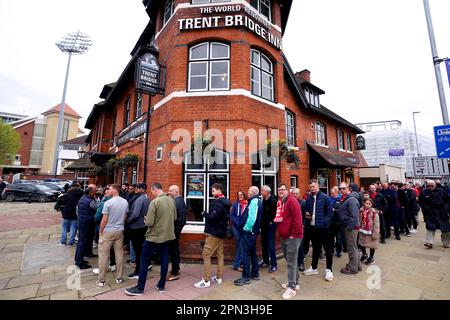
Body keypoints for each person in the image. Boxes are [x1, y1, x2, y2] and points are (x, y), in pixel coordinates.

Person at [124, 183, 177, 295]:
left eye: (152, 191)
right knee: (164, 260)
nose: (152, 193)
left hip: (154, 236)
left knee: (144, 260)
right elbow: (175, 217)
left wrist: (146, 219)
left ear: (154, 190)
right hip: (167, 235)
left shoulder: (155, 202)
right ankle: (161, 285)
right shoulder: (171, 200)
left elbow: (149, 222)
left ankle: (140, 288)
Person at [194, 183, 231, 289]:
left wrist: (204, 214)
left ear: (219, 190)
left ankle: (206, 280)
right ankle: (219, 277)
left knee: (206, 254)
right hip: (221, 232)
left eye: (213, 190)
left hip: (215, 233)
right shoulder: (226, 201)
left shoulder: (218, 203)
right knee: (220, 254)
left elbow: (212, 217)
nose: (212, 192)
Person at [96, 184, 129, 287]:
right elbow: (125, 216)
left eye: (109, 189)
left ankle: (101, 280)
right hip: (119, 230)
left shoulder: (108, 203)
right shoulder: (125, 202)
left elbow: (104, 219)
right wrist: (120, 225)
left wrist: (101, 232)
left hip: (108, 231)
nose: (108, 190)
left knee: (103, 256)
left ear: (115, 190)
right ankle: (119, 277)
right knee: (119, 255)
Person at [275, 184, 303, 299]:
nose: (281, 191)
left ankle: (291, 287)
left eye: (283, 189)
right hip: (284, 236)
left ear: (287, 191)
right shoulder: (281, 202)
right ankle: (295, 282)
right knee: (290, 260)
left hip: (292, 237)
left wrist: (293, 235)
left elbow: (298, 219)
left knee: (291, 261)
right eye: (279, 189)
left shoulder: (292, 201)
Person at [303, 180, 334, 282]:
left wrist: (324, 223)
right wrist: (307, 214)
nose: (312, 188)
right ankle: (313, 268)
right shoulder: (309, 198)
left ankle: (329, 270)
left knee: (328, 249)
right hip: (312, 228)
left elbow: (330, 213)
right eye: (310, 187)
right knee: (315, 249)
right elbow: (307, 210)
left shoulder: (325, 197)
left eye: (313, 186)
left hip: (324, 229)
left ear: (318, 186)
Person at [234, 186, 263, 286]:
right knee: (252, 253)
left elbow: (252, 219)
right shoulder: (256, 201)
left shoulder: (254, 201)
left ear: (252, 192)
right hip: (253, 232)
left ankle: (245, 277)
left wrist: (245, 228)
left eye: (249, 191)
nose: (248, 192)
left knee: (244, 254)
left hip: (249, 232)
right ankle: (255, 274)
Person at [126, 183, 151, 280]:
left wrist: (128, 220)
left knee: (137, 251)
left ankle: (138, 271)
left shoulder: (139, 199)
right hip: (143, 226)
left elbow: (135, 214)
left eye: (138, 188)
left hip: (136, 227)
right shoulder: (147, 198)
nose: (136, 189)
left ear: (143, 189)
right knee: (141, 250)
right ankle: (142, 269)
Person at [338, 182, 361, 275]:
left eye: (343, 188)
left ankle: (352, 268)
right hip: (348, 226)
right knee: (354, 247)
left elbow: (354, 215)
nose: (341, 190)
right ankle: (356, 265)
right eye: (340, 188)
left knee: (351, 248)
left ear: (348, 189)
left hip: (351, 227)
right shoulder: (346, 198)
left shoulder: (351, 199)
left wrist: (349, 227)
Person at [419, 180, 450, 249]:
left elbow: (448, 201)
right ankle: (429, 242)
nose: (430, 187)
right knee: (430, 228)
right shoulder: (424, 192)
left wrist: (445, 208)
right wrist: (427, 209)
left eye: (431, 186)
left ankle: (446, 243)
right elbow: (421, 202)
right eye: (428, 186)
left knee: (445, 229)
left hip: (441, 212)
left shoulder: (442, 191)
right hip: (431, 212)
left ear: (435, 185)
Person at [92, 186, 116, 275]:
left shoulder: (105, 203)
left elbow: (98, 217)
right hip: (116, 228)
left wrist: (101, 230)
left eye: (107, 192)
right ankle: (113, 264)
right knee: (113, 249)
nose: (105, 193)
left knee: (103, 250)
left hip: (105, 228)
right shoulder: (121, 201)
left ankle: (102, 269)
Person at [74, 187, 99, 269]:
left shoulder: (82, 198)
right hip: (87, 223)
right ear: (90, 193)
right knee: (83, 242)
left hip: (81, 222)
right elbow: (97, 208)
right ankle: (79, 262)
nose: (94, 194)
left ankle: (78, 258)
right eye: (93, 192)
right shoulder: (90, 201)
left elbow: (77, 210)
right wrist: (97, 201)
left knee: (81, 241)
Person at [167, 185, 187, 281]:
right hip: (178, 227)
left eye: (171, 191)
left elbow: (175, 217)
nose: (169, 192)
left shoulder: (175, 201)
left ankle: (175, 272)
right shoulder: (180, 200)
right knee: (175, 249)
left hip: (175, 228)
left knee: (173, 250)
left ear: (176, 191)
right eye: (169, 190)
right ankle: (176, 269)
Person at [259, 185, 278, 273]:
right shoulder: (264, 199)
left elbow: (274, 214)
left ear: (267, 192)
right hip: (263, 226)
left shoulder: (273, 200)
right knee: (263, 243)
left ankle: (274, 264)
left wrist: (271, 222)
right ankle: (265, 261)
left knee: (270, 244)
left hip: (270, 226)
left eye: (262, 191)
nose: (261, 192)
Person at [358, 198, 380, 265]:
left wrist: (375, 234)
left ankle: (371, 257)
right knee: (362, 244)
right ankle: (364, 254)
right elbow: (359, 220)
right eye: (366, 203)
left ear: (372, 205)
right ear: (364, 203)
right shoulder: (361, 211)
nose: (367, 205)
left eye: (369, 204)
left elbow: (376, 225)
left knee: (372, 245)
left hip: (371, 232)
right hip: (362, 230)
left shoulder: (374, 214)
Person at [230, 190, 248, 271]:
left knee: (241, 245)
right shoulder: (235, 204)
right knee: (240, 244)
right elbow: (232, 215)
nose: (240, 196)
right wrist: (237, 222)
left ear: (244, 195)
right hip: (236, 227)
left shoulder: (247, 204)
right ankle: (237, 264)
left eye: (241, 194)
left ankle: (239, 263)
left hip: (244, 227)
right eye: (239, 194)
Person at [291, 188, 306, 272]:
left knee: (300, 246)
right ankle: (294, 263)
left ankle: (301, 263)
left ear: (299, 194)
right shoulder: (290, 202)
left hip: (300, 228)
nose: (295, 195)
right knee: (292, 247)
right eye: (294, 193)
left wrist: (303, 225)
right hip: (291, 228)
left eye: (297, 193)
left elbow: (306, 215)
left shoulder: (303, 203)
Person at [329, 186, 344, 258]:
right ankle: (331, 251)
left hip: (338, 222)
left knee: (339, 239)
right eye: (331, 193)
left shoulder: (340, 200)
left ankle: (339, 251)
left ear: (337, 193)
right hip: (331, 222)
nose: (332, 195)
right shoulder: (329, 199)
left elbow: (342, 211)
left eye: (333, 193)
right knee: (331, 238)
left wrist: (334, 210)